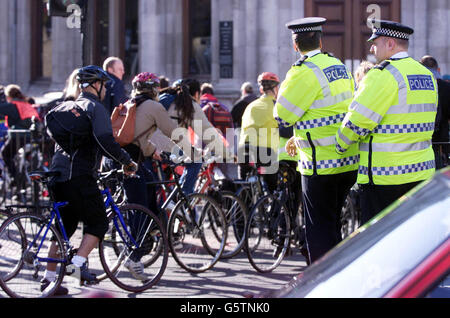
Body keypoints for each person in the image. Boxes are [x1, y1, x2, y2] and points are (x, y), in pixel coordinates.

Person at [335, 19, 438, 226]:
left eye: (376, 42)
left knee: (379, 247)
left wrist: (340, 145)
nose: (372, 48)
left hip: (385, 179)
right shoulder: (426, 75)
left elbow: (356, 122)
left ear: (390, 44)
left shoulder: (382, 75)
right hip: (421, 174)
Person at [44, 65, 137, 295]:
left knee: (64, 227)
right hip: (79, 175)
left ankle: (50, 280)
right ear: (97, 85)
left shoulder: (67, 106)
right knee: (98, 224)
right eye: (104, 84)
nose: (106, 89)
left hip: (57, 173)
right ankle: (75, 268)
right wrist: (127, 161)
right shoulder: (94, 108)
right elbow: (105, 140)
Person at [275, 17, 358, 264]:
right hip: (348, 160)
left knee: (319, 227)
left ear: (295, 45)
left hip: (319, 164)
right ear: (320, 41)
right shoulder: (339, 66)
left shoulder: (302, 72)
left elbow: (283, 116)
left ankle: (322, 284)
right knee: (333, 223)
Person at [112, 72, 194, 279]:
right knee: (139, 207)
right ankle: (134, 256)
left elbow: (138, 137)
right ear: (154, 89)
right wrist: (192, 152)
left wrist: (152, 151)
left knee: (150, 191)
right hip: (132, 162)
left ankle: (151, 231)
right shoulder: (155, 106)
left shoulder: (131, 103)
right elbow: (172, 131)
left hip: (124, 157)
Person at [160, 79, 232, 195]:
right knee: (195, 160)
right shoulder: (189, 105)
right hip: (166, 149)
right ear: (197, 94)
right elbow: (208, 133)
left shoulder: (164, 99)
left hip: (150, 146)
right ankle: (184, 196)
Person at [240, 72, 281, 193]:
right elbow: (286, 129)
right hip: (265, 151)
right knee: (272, 187)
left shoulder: (250, 106)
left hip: (244, 149)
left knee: (245, 189)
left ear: (261, 89)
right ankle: (271, 208)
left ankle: (244, 209)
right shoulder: (276, 107)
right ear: (275, 88)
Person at [0, 85, 41, 181]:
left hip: (19, 136)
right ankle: (25, 175)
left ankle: (14, 178)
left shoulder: (13, 105)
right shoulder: (26, 104)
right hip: (34, 136)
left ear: (8, 96)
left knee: (5, 154)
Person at [420, 55, 450, 169]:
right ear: (438, 69)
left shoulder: (420, 86)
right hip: (442, 137)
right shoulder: (446, 87)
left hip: (422, 137)